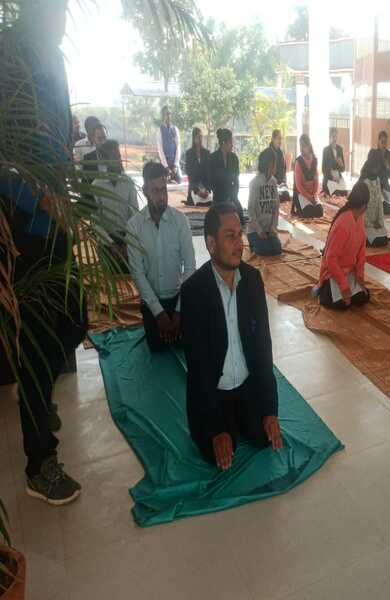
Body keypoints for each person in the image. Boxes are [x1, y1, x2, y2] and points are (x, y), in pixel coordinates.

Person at [0, 0, 88, 505]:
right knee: (35, 343)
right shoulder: (9, 56)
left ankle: (35, 390)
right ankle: (40, 464)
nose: (62, 18)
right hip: (23, 227)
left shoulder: (52, 59)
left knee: (76, 318)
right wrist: (38, 197)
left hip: (58, 221)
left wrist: (66, 196)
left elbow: (59, 139)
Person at [181, 203, 283, 469]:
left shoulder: (252, 280)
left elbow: (263, 349)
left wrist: (270, 409)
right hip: (214, 392)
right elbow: (198, 368)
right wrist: (215, 428)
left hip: (248, 387)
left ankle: (246, 416)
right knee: (215, 453)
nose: (240, 244)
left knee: (263, 438)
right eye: (230, 236)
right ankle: (220, 424)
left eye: (240, 234)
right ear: (211, 244)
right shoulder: (193, 292)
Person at [127, 162, 196, 353]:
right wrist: (159, 314)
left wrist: (179, 311)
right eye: (155, 191)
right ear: (145, 191)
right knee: (157, 347)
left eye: (163, 189)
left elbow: (190, 267)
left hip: (178, 298)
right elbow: (138, 274)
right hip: (152, 302)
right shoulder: (134, 226)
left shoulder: (180, 221)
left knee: (184, 344)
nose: (162, 196)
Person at [316, 182, 370, 310]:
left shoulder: (359, 218)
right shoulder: (343, 224)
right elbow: (331, 259)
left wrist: (360, 277)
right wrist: (344, 286)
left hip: (349, 272)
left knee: (363, 298)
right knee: (342, 305)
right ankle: (321, 289)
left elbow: (361, 252)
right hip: (333, 274)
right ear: (364, 206)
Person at [91, 139, 139, 271]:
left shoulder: (128, 182)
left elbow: (135, 215)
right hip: (107, 240)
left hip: (127, 237)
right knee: (111, 272)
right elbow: (95, 222)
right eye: (115, 157)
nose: (119, 160)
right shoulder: (97, 185)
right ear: (105, 160)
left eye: (119, 156)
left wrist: (127, 242)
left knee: (132, 271)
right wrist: (111, 244)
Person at [247, 148, 282, 256]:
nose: (276, 165)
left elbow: (276, 207)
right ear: (269, 164)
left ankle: (261, 243)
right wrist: (259, 230)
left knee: (277, 249)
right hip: (255, 230)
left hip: (268, 230)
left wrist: (273, 227)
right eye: (274, 163)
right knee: (264, 250)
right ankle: (253, 243)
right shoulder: (255, 183)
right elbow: (251, 209)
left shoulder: (273, 182)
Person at [209, 128, 244, 219]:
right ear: (224, 143)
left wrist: (233, 196)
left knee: (240, 219)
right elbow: (211, 181)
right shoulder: (213, 158)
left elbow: (236, 180)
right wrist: (221, 196)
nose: (232, 145)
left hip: (232, 196)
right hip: (218, 197)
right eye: (231, 142)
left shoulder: (234, 158)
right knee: (217, 220)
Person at [360, 151, 390, 247]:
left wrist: (380, 222)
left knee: (384, 238)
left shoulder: (377, 180)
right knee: (378, 241)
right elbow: (361, 209)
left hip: (375, 223)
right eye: (377, 165)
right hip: (364, 223)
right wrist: (371, 224)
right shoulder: (363, 183)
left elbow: (379, 204)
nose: (378, 168)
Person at [365, 130, 390, 215]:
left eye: (385, 142)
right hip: (375, 186)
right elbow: (368, 172)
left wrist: (388, 167)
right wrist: (378, 167)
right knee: (381, 207)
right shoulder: (372, 153)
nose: (384, 144)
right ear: (378, 141)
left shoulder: (389, 155)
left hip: (385, 187)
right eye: (382, 142)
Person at [292, 134, 324, 218]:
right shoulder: (299, 162)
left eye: (304, 146)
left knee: (320, 211)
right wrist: (308, 197)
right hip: (302, 194)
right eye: (300, 146)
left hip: (312, 194)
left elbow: (316, 181)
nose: (301, 148)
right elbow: (298, 186)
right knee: (308, 212)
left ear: (309, 145)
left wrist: (313, 195)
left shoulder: (314, 160)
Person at [184, 127, 211, 206]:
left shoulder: (207, 153)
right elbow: (189, 174)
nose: (200, 139)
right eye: (198, 137)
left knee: (208, 202)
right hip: (194, 187)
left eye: (201, 136)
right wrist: (197, 191)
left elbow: (209, 173)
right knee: (195, 202)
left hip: (205, 187)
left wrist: (206, 189)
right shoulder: (189, 153)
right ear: (194, 138)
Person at [157, 105, 182, 184]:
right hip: (165, 164)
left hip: (174, 163)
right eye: (166, 114)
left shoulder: (175, 129)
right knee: (164, 181)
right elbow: (160, 150)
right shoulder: (160, 130)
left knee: (179, 180)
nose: (168, 116)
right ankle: (168, 177)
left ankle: (172, 176)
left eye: (169, 114)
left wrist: (175, 165)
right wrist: (166, 167)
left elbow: (178, 147)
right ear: (163, 116)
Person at [321, 127, 347, 196]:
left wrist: (341, 164)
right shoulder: (325, 150)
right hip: (329, 177)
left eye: (336, 136)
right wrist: (333, 178)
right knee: (335, 192)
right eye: (333, 136)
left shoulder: (340, 149)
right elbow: (323, 169)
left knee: (344, 192)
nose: (334, 139)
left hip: (338, 177)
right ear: (329, 137)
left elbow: (343, 169)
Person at [268, 129, 290, 202]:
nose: (280, 141)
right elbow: (267, 176)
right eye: (278, 138)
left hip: (281, 185)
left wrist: (284, 182)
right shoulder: (268, 153)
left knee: (286, 196)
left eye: (281, 138)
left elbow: (284, 171)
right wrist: (277, 185)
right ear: (273, 139)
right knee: (280, 196)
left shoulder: (280, 153)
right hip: (271, 185)